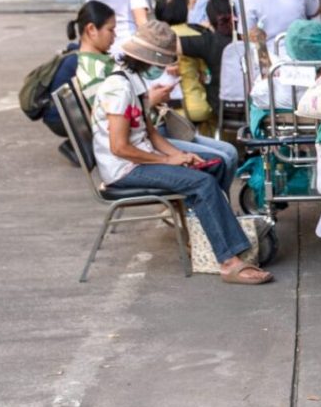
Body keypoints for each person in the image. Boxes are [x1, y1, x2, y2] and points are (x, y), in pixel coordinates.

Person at [90, 21, 271, 285]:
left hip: (140, 157)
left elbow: (150, 133)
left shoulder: (134, 81)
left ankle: (208, 236)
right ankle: (229, 262)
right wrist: (167, 160)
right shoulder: (118, 89)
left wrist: (180, 156)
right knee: (202, 183)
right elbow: (120, 148)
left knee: (212, 165)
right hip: (124, 170)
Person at [46, 2, 116, 165]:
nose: (115, 35)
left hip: (66, 112)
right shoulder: (88, 64)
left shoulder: (83, 51)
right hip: (61, 117)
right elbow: (105, 111)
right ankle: (78, 143)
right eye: (110, 30)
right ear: (91, 29)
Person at [154, 0, 215, 131]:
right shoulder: (197, 36)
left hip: (161, 109)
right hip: (196, 107)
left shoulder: (153, 39)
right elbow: (206, 74)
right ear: (184, 10)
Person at [180, 0, 234, 103]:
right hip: (249, 103)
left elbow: (170, 43)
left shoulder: (208, 41)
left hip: (219, 104)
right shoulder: (246, 39)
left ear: (209, 19)